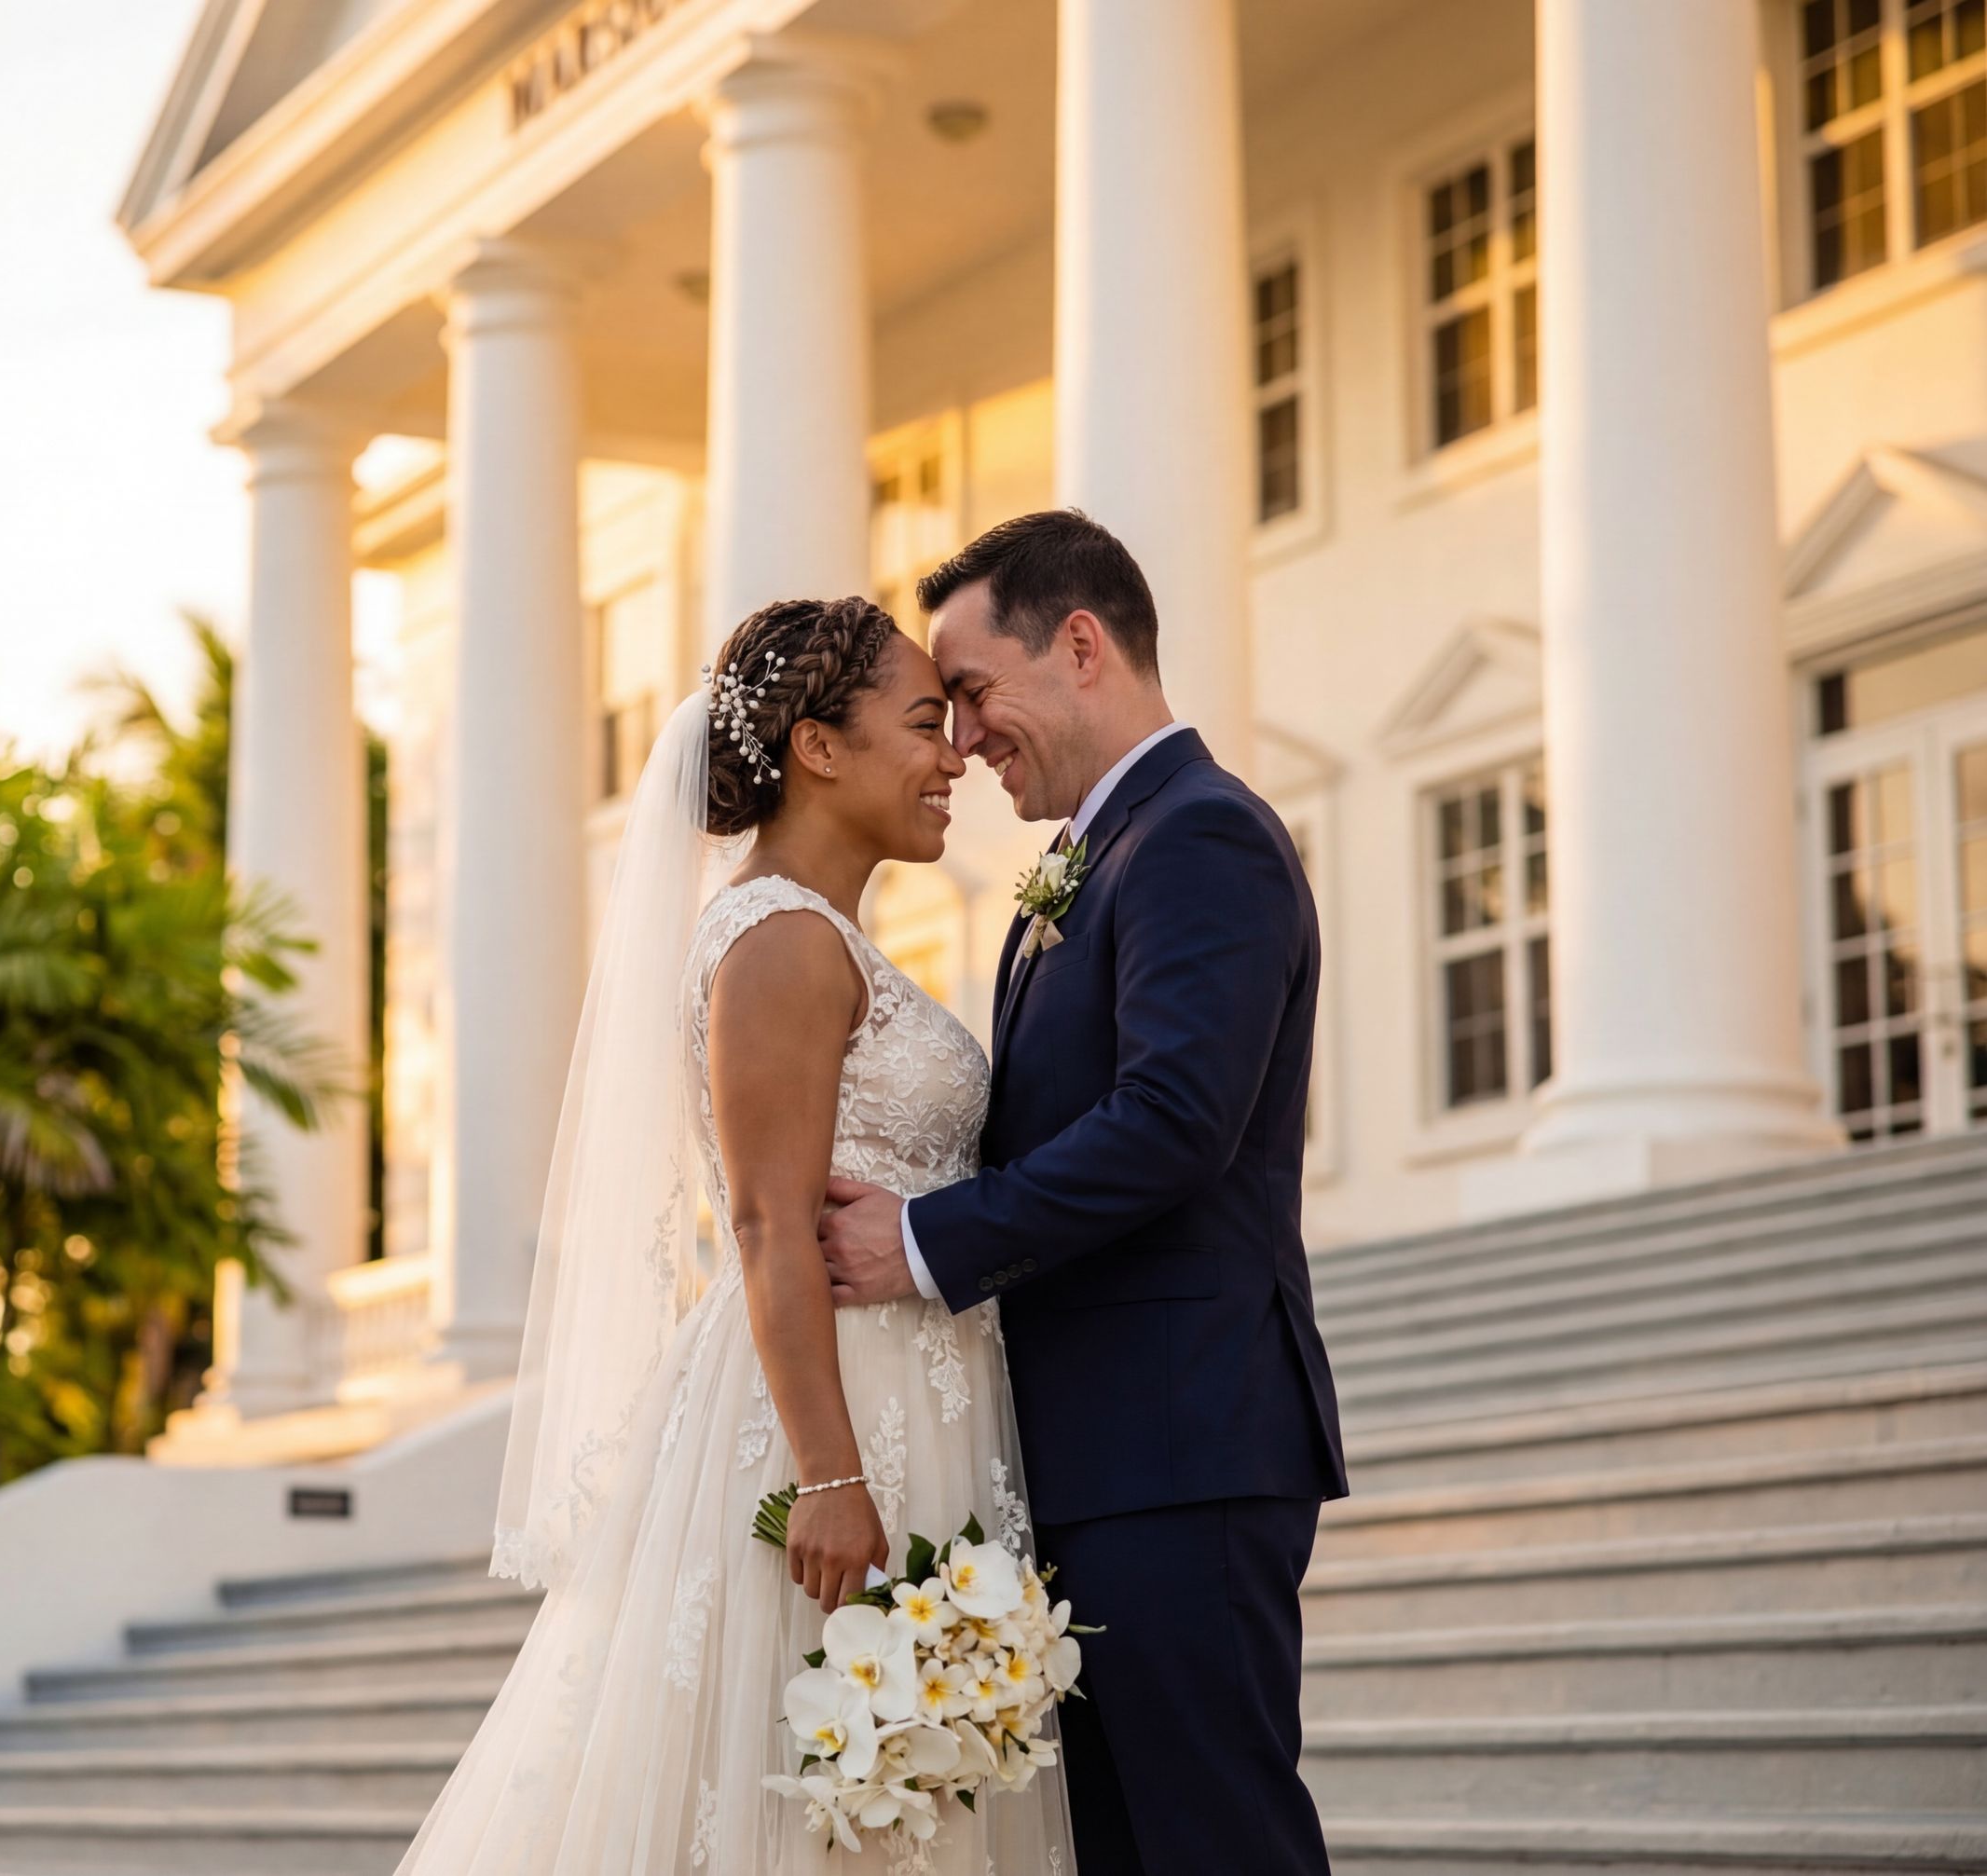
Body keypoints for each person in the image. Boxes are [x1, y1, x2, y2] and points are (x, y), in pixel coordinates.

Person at [398, 595, 1069, 1872]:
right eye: (926, 724)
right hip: (828, 1426)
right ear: (818, 747)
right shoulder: (777, 943)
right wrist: (828, 1473)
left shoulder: (821, 936)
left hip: (909, 1403)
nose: (954, 757)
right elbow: (765, 1225)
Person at [819, 509, 1347, 1874]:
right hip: (1104, 1449)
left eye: (975, 693)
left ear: (1082, 643)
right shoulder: (1098, 855)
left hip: (1182, 1445)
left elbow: (1175, 1121)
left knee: (1216, 1840)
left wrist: (925, 1241)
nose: (965, 737)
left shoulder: (1201, 835)